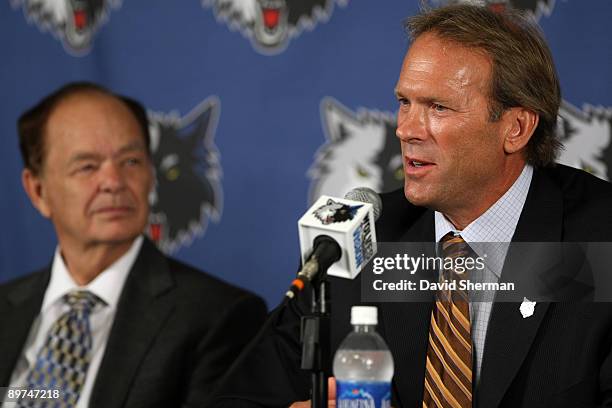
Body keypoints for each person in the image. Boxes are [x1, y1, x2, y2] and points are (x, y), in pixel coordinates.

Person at [210, 4, 612, 408]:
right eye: (405, 102)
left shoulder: (600, 241)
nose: (405, 129)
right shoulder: (362, 236)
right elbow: (240, 398)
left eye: (438, 107)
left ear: (516, 128)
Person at [0, 82, 267, 408]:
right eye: (87, 166)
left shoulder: (218, 318)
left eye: (131, 162)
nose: (114, 182)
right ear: (38, 190)